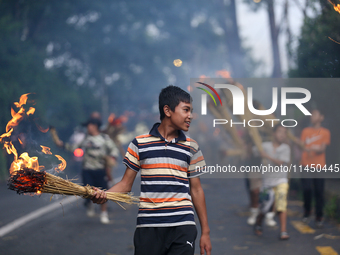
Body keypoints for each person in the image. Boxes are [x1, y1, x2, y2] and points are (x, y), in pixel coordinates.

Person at [92, 85, 212, 255]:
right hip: (148, 227)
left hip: (183, 225)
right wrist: (105, 195)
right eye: (186, 110)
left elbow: (197, 189)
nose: (190, 116)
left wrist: (205, 232)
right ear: (168, 111)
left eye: (191, 111)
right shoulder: (139, 144)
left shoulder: (191, 146)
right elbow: (126, 185)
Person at [56, 117, 119, 224]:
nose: (87, 128)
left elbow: (114, 150)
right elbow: (74, 147)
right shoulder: (86, 139)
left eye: (89, 125)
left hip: (100, 170)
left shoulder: (104, 138)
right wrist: (62, 145)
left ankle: (104, 214)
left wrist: (111, 159)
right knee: (88, 191)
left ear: (94, 126)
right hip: (87, 169)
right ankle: (89, 204)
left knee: (103, 192)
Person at [253, 125, 291, 240]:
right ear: (274, 133)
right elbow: (252, 152)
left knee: (281, 203)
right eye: (279, 131)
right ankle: (258, 222)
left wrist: (266, 156)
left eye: (284, 132)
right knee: (264, 207)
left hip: (281, 180)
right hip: (267, 182)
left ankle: (283, 231)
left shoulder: (286, 148)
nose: (282, 134)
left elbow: (280, 162)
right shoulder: (264, 146)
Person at [300, 108, 330, 228]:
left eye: (315, 114)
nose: (312, 116)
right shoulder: (305, 131)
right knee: (307, 189)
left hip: (319, 166)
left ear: (321, 117)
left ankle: (319, 215)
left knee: (319, 191)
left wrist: (310, 148)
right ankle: (307, 211)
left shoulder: (325, 132)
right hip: (305, 164)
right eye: (311, 115)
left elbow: (322, 149)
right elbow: (302, 146)